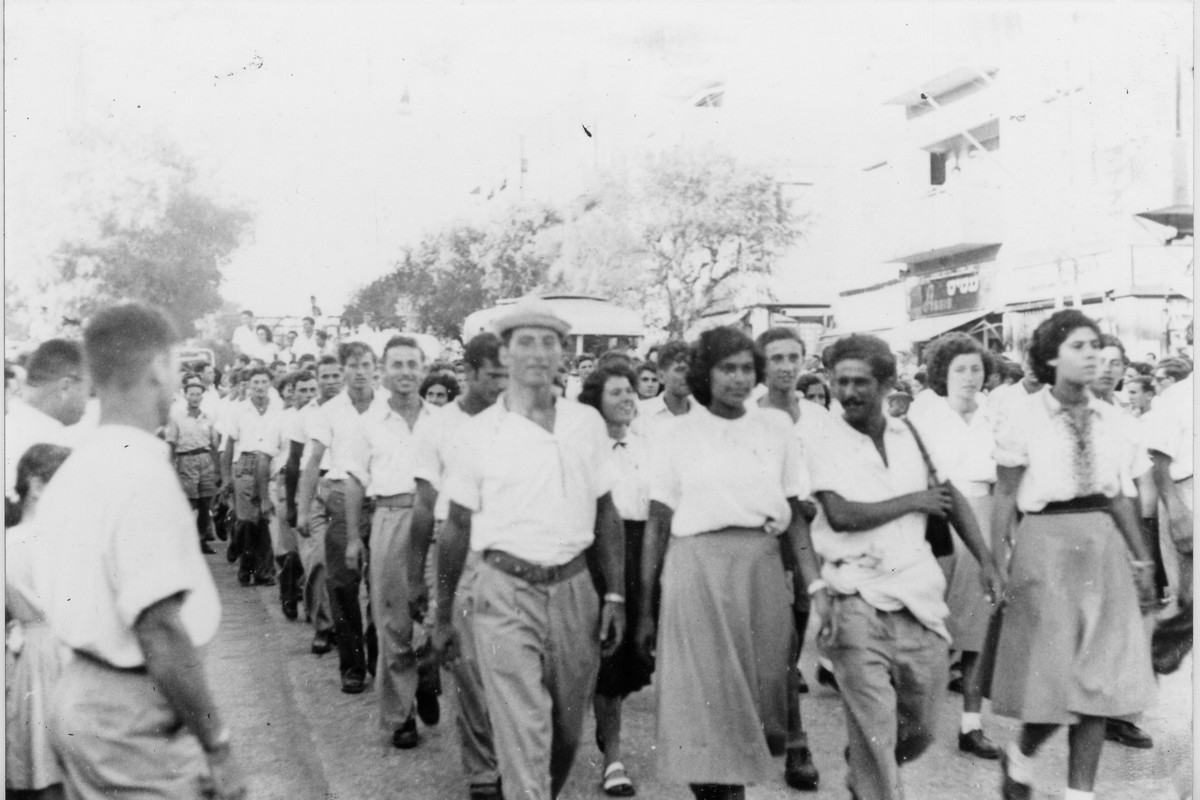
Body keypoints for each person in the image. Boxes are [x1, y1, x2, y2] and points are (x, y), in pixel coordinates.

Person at [32, 303, 246, 800]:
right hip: (130, 711)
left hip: (82, 692)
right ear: (158, 366)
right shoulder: (138, 472)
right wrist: (218, 745)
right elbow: (160, 629)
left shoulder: (78, 466)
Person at [433, 298, 625, 800]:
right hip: (504, 592)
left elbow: (606, 510)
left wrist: (615, 594)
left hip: (574, 589)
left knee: (565, 733)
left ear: (562, 353)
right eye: (526, 342)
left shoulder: (585, 423)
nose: (538, 353)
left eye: (549, 343)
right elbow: (455, 526)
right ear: (505, 352)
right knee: (524, 733)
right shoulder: (477, 434)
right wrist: (443, 612)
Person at [806, 334, 1002, 800]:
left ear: (887, 384)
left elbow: (950, 498)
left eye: (861, 382)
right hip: (854, 598)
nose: (849, 392)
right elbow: (840, 514)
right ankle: (875, 778)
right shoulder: (823, 439)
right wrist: (914, 500)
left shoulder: (912, 433)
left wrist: (986, 560)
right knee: (876, 731)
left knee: (919, 729)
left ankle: (867, 769)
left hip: (917, 598)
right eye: (841, 382)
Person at [989, 310, 1157, 800]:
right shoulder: (1023, 415)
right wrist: (996, 559)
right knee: (1057, 684)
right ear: (1050, 356)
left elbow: (1118, 496)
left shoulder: (1114, 419)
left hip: (1103, 547)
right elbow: (1005, 492)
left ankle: (1079, 795)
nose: (1091, 355)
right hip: (1045, 546)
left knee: (1098, 684)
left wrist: (1142, 559)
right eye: (1078, 346)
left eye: (1095, 346)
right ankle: (1021, 755)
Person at [632, 327, 805, 800]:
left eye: (747, 368)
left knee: (759, 694)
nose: (739, 378)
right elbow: (658, 523)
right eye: (727, 368)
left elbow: (794, 513)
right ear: (705, 373)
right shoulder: (675, 433)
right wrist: (645, 609)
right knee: (704, 699)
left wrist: (813, 587)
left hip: (760, 568)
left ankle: (730, 788)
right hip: (696, 569)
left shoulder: (776, 428)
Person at [412, 333, 508, 800]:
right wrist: (417, 574)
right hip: (456, 545)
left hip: (509, 548)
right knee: (467, 664)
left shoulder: (518, 421)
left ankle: (509, 755)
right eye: (492, 375)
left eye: (507, 375)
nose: (501, 384)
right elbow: (425, 501)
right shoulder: (436, 426)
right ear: (468, 373)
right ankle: (483, 769)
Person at [907, 333, 1003, 759]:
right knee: (926, 621)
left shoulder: (994, 415)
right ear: (942, 375)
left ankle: (971, 724)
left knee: (978, 627)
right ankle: (910, 719)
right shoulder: (925, 414)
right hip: (938, 519)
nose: (969, 377)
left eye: (976, 369)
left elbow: (1007, 479)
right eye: (959, 369)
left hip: (983, 515)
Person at [346, 336, 437, 748]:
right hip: (392, 518)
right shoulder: (368, 423)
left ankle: (426, 678)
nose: (405, 372)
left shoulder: (442, 419)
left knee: (440, 613)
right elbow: (353, 481)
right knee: (395, 621)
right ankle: (402, 714)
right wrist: (354, 538)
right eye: (396, 364)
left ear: (423, 368)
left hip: (440, 522)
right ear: (383, 371)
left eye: (412, 364)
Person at [753, 327, 828, 791]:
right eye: (776, 357)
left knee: (797, 637)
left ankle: (776, 712)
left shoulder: (819, 417)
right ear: (761, 364)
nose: (785, 366)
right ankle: (797, 741)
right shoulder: (749, 415)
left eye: (792, 357)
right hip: (772, 537)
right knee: (781, 641)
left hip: (818, 538)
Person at [577, 362, 655, 797]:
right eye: (616, 392)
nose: (627, 398)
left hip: (644, 551)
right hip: (599, 552)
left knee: (635, 655)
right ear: (595, 401)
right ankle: (614, 755)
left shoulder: (648, 444)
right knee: (606, 652)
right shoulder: (584, 448)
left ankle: (606, 717)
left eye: (631, 391)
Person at [297, 342, 387, 694]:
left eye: (366, 364)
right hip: (339, 501)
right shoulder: (330, 411)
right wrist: (303, 509)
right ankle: (352, 666)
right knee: (343, 585)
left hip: (382, 501)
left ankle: (379, 656)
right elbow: (312, 460)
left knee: (382, 586)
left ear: (375, 368)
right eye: (353, 365)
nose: (360, 372)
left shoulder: (388, 405)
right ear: (344, 369)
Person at [6, 444, 72, 800]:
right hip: (60, 654)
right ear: (35, 485)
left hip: (24, 656)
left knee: (34, 755)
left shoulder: (8, 541)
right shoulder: (58, 540)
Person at [286, 355, 342, 655]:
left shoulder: (354, 410)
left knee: (346, 567)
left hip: (347, 488)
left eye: (336, 375)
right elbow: (294, 461)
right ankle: (323, 626)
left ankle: (347, 627)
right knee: (318, 560)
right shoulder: (303, 414)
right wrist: (295, 506)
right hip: (315, 487)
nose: (331, 381)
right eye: (325, 376)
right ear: (317, 379)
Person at [1143, 359, 1193, 675]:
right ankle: (1156, 655)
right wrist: (1175, 510)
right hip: (1186, 497)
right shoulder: (1177, 396)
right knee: (1188, 600)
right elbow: (1158, 459)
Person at [220, 365, 284, 587]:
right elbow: (229, 444)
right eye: (255, 382)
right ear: (248, 385)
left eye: (264, 382)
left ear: (270, 384)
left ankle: (264, 571)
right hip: (246, 465)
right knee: (247, 520)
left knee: (265, 519)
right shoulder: (239, 410)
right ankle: (246, 565)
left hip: (270, 464)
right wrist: (226, 477)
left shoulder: (279, 408)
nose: (259, 386)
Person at [5, 339, 90, 502]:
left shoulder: (9, 421)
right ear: (65, 386)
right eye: (89, 389)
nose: (87, 400)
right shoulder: (50, 445)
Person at [165, 378, 222, 555]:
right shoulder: (177, 417)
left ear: (202, 397)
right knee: (189, 503)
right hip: (186, 459)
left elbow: (214, 445)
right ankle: (184, 540)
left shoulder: (208, 418)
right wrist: (170, 466)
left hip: (205, 459)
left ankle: (201, 539)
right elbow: (171, 442)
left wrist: (217, 468)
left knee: (205, 502)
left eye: (198, 395)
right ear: (186, 396)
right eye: (192, 394)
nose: (195, 398)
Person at [631, 340, 694, 438]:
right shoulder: (641, 414)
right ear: (661, 377)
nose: (687, 376)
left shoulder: (703, 413)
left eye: (691, 370)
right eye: (680, 370)